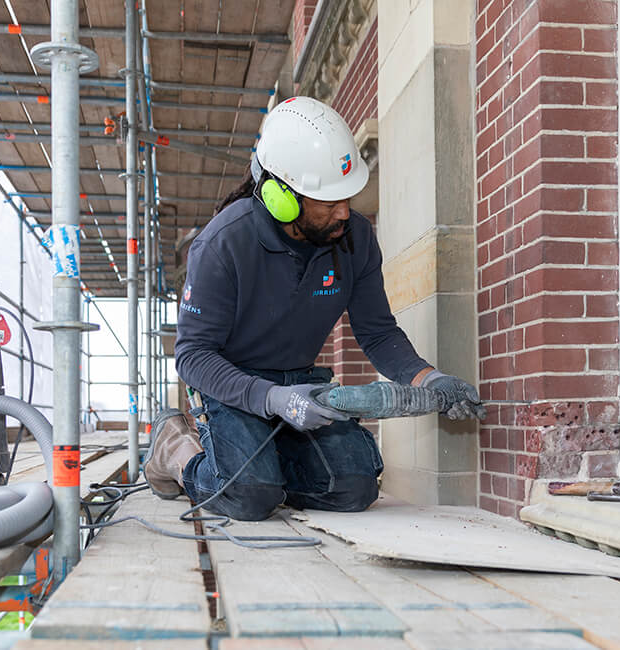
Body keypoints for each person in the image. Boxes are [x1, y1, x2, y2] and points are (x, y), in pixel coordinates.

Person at [142, 96, 485, 520]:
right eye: (328, 201)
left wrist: (429, 379)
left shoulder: (354, 239)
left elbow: (377, 331)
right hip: (234, 388)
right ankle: (177, 448)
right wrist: (270, 399)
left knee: (354, 490)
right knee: (249, 496)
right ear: (279, 196)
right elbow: (192, 355)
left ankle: (270, 464)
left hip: (303, 384)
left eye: (347, 197)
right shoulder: (223, 245)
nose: (345, 212)